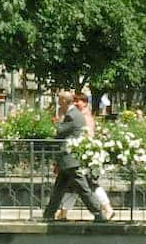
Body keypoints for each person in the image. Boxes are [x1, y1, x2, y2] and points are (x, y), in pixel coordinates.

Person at [43, 91, 114, 222]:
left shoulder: (72, 115)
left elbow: (59, 131)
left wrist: (57, 119)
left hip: (70, 159)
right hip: (68, 160)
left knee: (83, 189)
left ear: (64, 101)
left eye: (59, 100)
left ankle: (99, 214)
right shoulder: (75, 114)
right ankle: (48, 214)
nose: (58, 103)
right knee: (58, 189)